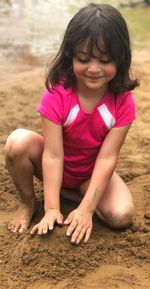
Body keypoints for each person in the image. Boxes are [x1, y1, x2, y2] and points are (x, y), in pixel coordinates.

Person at [4, 3, 139, 245]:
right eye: (84, 59)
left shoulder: (123, 102)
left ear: (120, 58)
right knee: (17, 142)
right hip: (53, 165)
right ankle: (29, 201)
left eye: (105, 60)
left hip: (90, 174)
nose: (94, 69)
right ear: (70, 55)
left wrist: (87, 209)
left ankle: (77, 196)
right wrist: (52, 209)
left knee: (122, 215)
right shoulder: (58, 94)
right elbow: (53, 155)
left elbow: (107, 158)